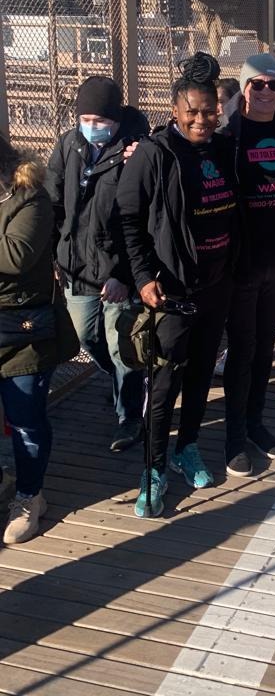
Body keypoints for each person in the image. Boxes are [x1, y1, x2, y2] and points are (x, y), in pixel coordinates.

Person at [117, 53, 238, 517]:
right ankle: (153, 467)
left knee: (202, 372)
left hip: (216, 284)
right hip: (171, 291)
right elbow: (129, 220)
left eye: (210, 111)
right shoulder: (154, 153)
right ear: (174, 110)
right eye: (192, 112)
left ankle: (187, 447)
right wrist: (142, 277)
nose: (202, 120)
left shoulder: (223, 148)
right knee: (164, 382)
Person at [46, 76, 148, 452]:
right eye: (85, 118)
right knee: (85, 336)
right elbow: (53, 201)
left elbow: (141, 220)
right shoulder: (69, 145)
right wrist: (55, 253)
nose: (92, 126)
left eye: (101, 120)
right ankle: (124, 382)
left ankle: (130, 416)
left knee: (121, 343)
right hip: (75, 266)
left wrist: (124, 274)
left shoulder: (135, 151)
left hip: (116, 269)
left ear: (116, 119)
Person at [218, 53, 275, 475]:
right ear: (244, 88)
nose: (267, 91)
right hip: (243, 261)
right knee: (242, 348)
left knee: (266, 347)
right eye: (258, 84)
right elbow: (184, 151)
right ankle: (234, 437)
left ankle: (255, 422)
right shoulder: (228, 133)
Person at [1, 135, 79, 543]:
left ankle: (30, 495)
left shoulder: (29, 196)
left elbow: (16, 256)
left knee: (26, 419)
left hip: (23, 330)